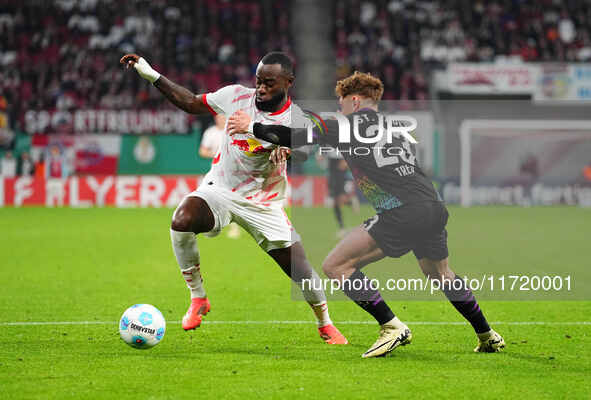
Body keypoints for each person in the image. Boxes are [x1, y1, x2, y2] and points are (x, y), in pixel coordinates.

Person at [227, 71, 505, 357]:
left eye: (342, 102)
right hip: (433, 205)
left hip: (402, 211)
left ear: (356, 101)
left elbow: (299, 135)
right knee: (441, 274)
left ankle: (391, 326)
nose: (339, 107)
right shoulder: (394, 128)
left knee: (336, 266)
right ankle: (487, 334)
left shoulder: (346, 124)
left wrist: (253, 126)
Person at [120, 52, 347, 344]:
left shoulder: (296, 117)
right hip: (221, 189)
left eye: (269, 83)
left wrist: (287, 149)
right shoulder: (236, 96)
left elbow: (303, 146)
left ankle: (325, 324)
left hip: (264, 202)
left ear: (289, 82)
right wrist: (152, 76)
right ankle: (198, 297)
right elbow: (190, 102)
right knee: (182, 220)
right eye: (258, 81)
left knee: (302, 273)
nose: (261, 88)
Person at [199, 114, 241, 239]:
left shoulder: (233, 132)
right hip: (215, 171)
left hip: (232, 170)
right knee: (208, 196)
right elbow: (202, 151)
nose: (221, 119)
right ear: (215, 118)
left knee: (232, 198)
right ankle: (210, 224)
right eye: (219, 117)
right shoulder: (210, 133)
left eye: (223, 117)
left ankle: (234, 227)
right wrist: (215, 153)